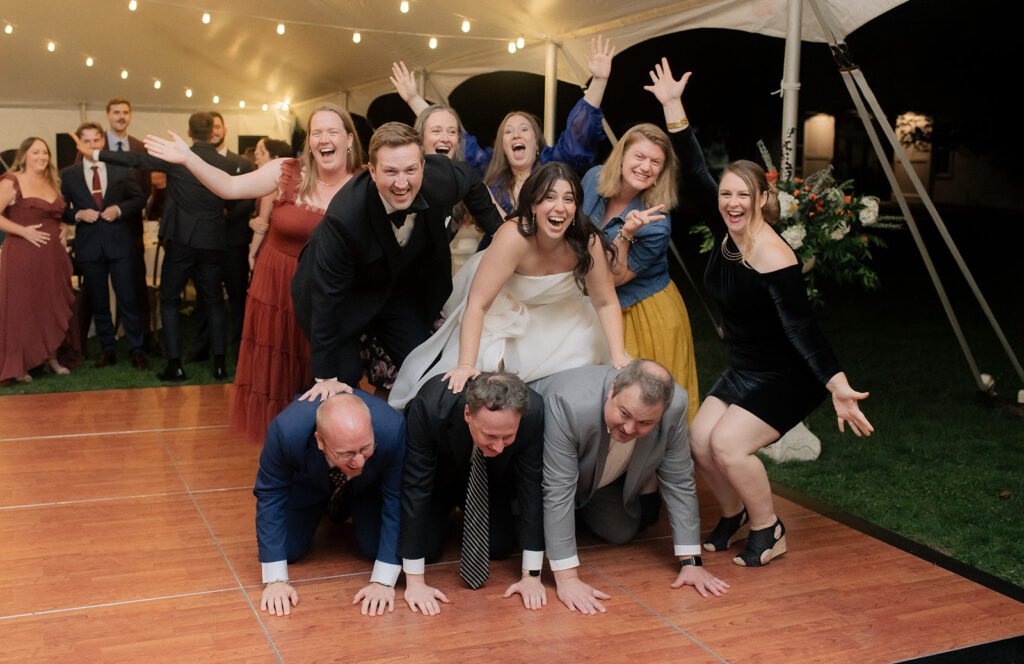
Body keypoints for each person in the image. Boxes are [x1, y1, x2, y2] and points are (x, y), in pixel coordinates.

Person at [650, 59, 874, 566]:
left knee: (729, 446)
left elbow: (801, 326)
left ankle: (769, 528)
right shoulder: (726, 229)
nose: (732, 203)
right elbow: (696, 170)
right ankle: (733, 515)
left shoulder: (774, 255)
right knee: (699, 441)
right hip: (746, 366)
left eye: (743, 196)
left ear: (763, 199)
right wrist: (673, 107)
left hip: (786, 375)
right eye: (726, 194)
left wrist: (837, 384)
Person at [143, 104, 364, 444]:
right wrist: (188, 158)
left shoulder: (365, 183)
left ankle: (329, 450)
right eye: (316, 132)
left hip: (329, 293)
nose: (324, 139)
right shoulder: (286, 170)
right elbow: (229, 187)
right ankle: (285, 450)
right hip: (278, 288)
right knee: (278, 376)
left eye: (332, 132)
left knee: (324, 377)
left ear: (349, 139)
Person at [288, 122, 504, 402]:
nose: (402, 184)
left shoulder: (440, 179)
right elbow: (326, 298)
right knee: (341, 382)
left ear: (423, 166)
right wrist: (326, 376)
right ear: (372, 171)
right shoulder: (344, 218)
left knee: (425, 366)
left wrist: (500, 236)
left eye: (410, 170)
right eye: (390, 172)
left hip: (395, 288)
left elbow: (472, 181)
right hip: (338, 297)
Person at [387, 161, 629, 411]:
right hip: (501, 312)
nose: (560, 207)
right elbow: (478, 304)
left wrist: (618, 355)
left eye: (569, 199)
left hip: (560, 314)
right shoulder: (513, 236)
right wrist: (466, 365)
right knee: (488, 373)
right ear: (533, 204)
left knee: (586, 358)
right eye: (549, 197)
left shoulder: (587, 241)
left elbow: (605, 302)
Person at [531, 359, 729, 614]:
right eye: (624, 414)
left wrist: (691, 563)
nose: (628, 428)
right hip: (536, 481)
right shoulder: (569, 402)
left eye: (645, 423)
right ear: (613, 389)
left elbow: (679, 480)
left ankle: (570, 520)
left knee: (621, 531)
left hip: (594, 478)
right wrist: (567, 580)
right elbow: (557, 488)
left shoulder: (676, 404)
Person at [78, 112, 240, 381]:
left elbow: (136, 159)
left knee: (169, 299)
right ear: (213, 132)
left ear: (189, 133)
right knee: (214, 302)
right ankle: (220, 365)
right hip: (213, 241)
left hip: (180, 240)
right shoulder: (226, 163)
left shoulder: (180, 158)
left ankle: (175, 365)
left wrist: (95, 153)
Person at [390, 35, 615, 216]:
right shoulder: (489, 170)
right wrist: (414, 99)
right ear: (502, 146)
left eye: (524, 129)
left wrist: (599, 82)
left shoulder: (552, 165)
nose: (516, 134)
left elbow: (578, 135)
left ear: (536, 141)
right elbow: (454, 137)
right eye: (508, 131)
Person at [581, 84, 701, 422]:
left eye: (655, 162)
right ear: (622, 156)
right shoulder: (592, 180)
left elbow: (614, 279)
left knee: (641, 408)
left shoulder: (657, 224)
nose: (646, 167)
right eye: (639, 157)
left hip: (641, 311)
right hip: (593, 303)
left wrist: (626, 234)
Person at [399, 372, 546, 615]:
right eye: (490, 436)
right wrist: (415, 583)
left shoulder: (533, 411)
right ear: (468, 413)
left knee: (499, 548)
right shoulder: (431, 405)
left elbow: (531, 487)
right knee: (427, 551)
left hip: (489, 485)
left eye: (508, 437)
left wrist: (531, 576)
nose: (499, 447)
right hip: (438, 484)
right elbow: (415, 486)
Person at [254, 391, 405, 617]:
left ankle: (347, 502)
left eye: (366, 448)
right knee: (289, 549)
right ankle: (330, 502)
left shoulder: (392, 428)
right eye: (347, 453)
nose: (359, 461)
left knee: (374, 547)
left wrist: (383, 582)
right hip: (310, 483)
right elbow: (270, 494)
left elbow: (396, 498)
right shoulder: (286, 430)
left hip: (367, 488)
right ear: (319, 441)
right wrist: (275, 580)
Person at [60, 121, 148, 371]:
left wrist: (119, 209)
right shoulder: (69, 174)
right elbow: (61, 209)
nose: (91, 145)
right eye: (86, 141)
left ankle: (137, 351)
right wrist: (77, 215)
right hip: (89, 247)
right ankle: (107, 350)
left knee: (128, 299)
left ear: (102, 141)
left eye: (96, 140)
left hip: (119, 245)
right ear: (79, 144)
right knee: (99, 302)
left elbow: (139, 198)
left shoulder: (119, 167)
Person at [0, 137, 79, 383]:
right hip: (23, 253)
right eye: (35, 152)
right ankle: (20, 364)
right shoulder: (11, 181)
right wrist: (23, 231)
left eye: (45, 153)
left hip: (52, 257)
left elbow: (55, 215)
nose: (42, 157)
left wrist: (63, 226)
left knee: (49, 305)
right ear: (24, 155)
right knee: (23, 309)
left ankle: (51, 358)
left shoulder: (52, 182)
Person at [187, 111, 256, 363]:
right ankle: (202, 348)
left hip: (232, 242)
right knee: (205, 298)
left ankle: (238, 351)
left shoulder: (241, 164)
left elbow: (248, 200)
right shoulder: (193, 161)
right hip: (204, 243)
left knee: (237, 298)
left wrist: (224, 217)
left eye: (219, 127)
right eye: (212, 127)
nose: (215, 131)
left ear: (225, 130)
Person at [104, 97, 159, 354]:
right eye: (116, 112)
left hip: (131, 227)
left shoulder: (139, 147)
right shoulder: (95, 144)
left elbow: (146, 188)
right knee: (97, 288)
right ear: (108, 115)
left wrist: (124, 209)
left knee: (137, 284)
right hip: (99, 227)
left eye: (125, 112)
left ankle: (143, 339)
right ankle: (97, 342)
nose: (121, 116)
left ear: (130, 116)